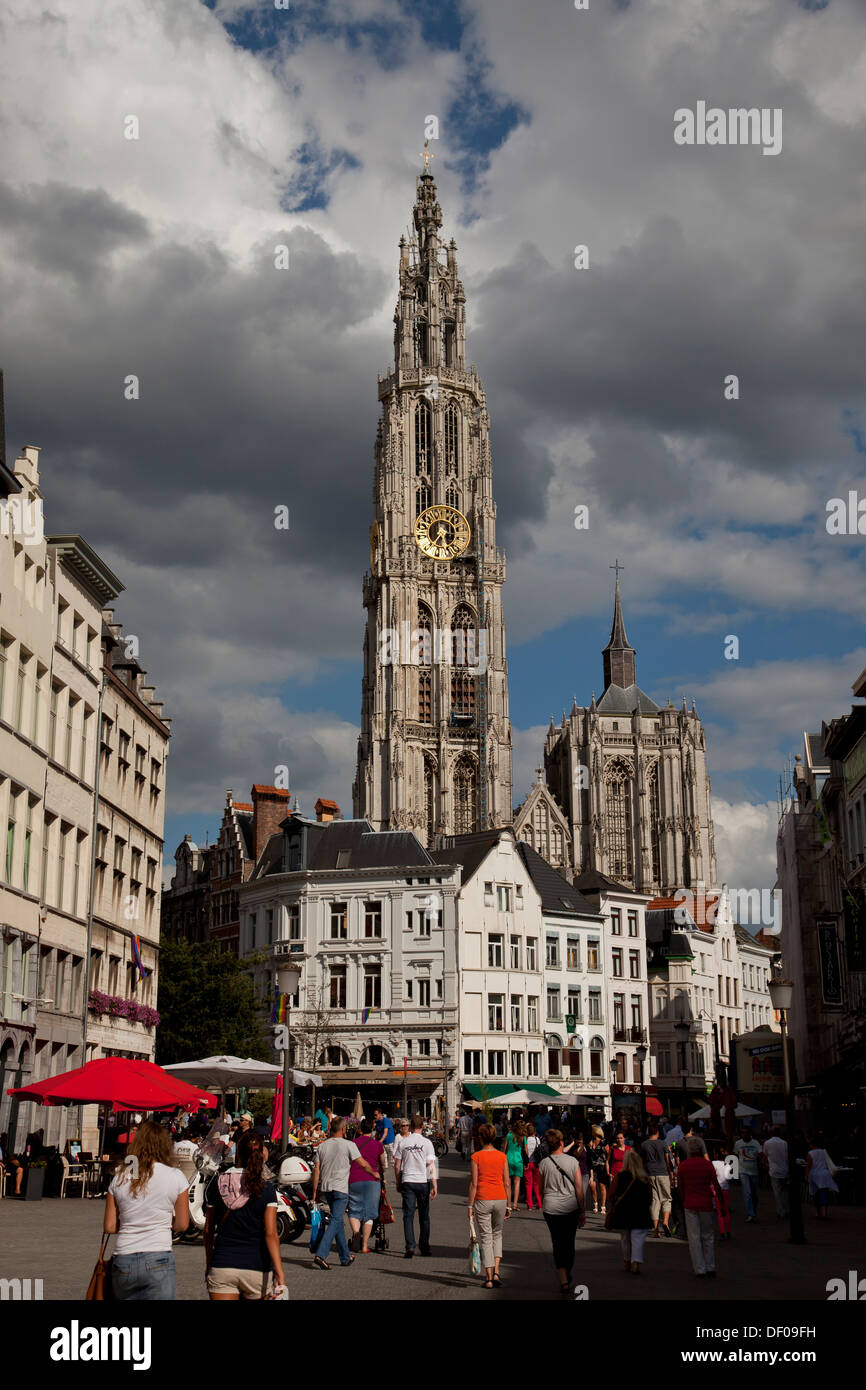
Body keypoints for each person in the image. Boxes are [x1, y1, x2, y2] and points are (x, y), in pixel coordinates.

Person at [104, 1118, 189, 1300]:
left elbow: (110, 1226)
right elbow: (182, 1225)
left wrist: (132, 1221)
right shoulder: (176, 1176)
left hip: (124, 1256)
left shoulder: (120, 1176)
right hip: (158, 1253)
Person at [204, 1130, 286, 1300]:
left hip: (223, 1265)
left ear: (238, 1154)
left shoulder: (218, 1183)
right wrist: (279, 1273)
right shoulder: (266, 1188)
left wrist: (210, 1262)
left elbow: (208, 1230)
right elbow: (271, 1234)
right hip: (257, 1268)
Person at [311, 1117, 378, 1270]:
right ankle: (321, 1254)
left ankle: (345, 1256)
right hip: (340, 1188)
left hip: (327, 1187)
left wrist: (315, 1190)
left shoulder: (322, 1146)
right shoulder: (349, 1145)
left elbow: (316, 1169)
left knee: (338, 1222)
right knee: (336, 1220)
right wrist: (374, 1174)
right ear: (342, 1129)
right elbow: (362, 1163)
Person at [538, 1129, 586, 1295]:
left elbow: (541, 1189)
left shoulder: (544, 1163)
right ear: (561, 1143)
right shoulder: (573, 1161)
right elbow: (579, 1189)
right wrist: (582, 1210)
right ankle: (566, 1272)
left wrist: (545, 1200)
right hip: (571, 1207)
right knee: (569, 1243)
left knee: (557, 1243)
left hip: (551, 1208)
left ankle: (563, 1278)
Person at [467, 1123, 511, 1288]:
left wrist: (470, 1206)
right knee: (497, 1234)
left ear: (481, 1138)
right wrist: (509, 1205)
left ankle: (489, 1277)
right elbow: (507, 1183)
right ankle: (497, 1271)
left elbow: (474, 1183)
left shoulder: (476, 1157)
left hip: (483, 1198)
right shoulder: (502, 1156)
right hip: (500, 1197)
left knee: (486, 1237)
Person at [677, 1137, 724, 1277]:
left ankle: (699, 1268)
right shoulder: (707, 1165)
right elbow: (716, 1185)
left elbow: (680, 1187)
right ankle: (710, 1266)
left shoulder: (683, 1166)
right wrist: (721, 1203)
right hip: (706, 1203)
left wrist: (683, 1200)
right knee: (708, 1235)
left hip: (690, 1203)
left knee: (694, 1237)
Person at [394, 1114, 437, 1258]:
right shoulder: (427, 1143)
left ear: (411, 1127)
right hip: (423, 1181)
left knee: (408, 1215)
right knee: (424, 1216)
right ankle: (424, 1246)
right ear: (423, 1126)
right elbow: (431, 1165)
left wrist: (398, 1181)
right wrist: (434, 1184)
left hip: (408, 1180)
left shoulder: (404, 1142)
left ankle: (410, 1246)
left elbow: (397, 1165)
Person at [606, 1148, 653, 1273]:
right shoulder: (644, 1178)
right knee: (638, 1238)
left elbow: (611, 1194)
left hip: (623, 1211)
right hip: (640, 1212)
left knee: (625, 1238)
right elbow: (650, 1196)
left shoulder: (620, 1176)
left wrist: (614, 1203)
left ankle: (627, 1261)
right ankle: (635, 1263)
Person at [348, 1118, 386, 1253]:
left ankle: (356, 1233)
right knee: (369, 1213)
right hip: (372, 1179)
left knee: (354, 1209)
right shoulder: (377, 1144)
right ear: (372, 1129)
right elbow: (383, 1163)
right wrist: (380, 1172)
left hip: (354, 1179)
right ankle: (364, 1245)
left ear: (360, 1130)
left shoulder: (353, 1143)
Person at [641, 1121, 674, 1238]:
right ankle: (665, 1222)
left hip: (651, 1174)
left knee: (655, 1200)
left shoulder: (644, 1144)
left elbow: (643, 1161)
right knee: (666, 1199)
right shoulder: (663, 1143)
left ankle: (656, 1230)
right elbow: (667, 1161)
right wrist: (671, 1173)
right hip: (663, 1173)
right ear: (657, 1132)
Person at [806, 1135, 839, 1220]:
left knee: (816, 1193)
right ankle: (824, 1213)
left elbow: (809, 1166)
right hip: (824, 1174)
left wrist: (806, 1175)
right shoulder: (824, 1152)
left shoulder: (810, 1153)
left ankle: (817, 1212)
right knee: (824, 1193)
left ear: (812, 1145)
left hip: (814, 1174)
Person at [733, 1127, 762, 1221]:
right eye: (742, 1133)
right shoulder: (738, 1143)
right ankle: (751, 1214)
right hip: (743, 1171)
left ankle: (753, 1211)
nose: (744, 1135)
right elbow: (736, 1155)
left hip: (754, 1171)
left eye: (746, 1133)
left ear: (750, 1134)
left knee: (754, 1194)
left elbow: (760, 1154)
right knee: (747, 1193)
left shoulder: (755, 1143)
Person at [762, 1127, 790, 1218]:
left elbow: (764, 1156)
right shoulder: (784, 1143)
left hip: (774, 1170)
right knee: (784, 1191)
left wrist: (766, 1165)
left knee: (777, 1192)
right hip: (784, 1169)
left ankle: (781, 1211)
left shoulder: (767, 1143)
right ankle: (786, 1209)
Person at [503, 1119, 526, 1212]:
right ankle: (515, 1204)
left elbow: (504, 1149)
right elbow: (526, 1151)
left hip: (508, 1160)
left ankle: (507, 1204)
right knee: (517, 1183)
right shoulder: (523, 1137)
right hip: (518, 1160)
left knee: (507, 1183)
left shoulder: (509, 1135)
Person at [710, 1143, 732, 1240]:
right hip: (726, 1189)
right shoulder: (727, 1164)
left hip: (717, 1190)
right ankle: (728, 1231)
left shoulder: (713, 1163)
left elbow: (712, 1177)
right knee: (726, 1211)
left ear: (716, 1154)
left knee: (719, 1212)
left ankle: (722, 1232)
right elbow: (728, 1177)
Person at [588, 1127, 610, 1215]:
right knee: (592, 1186)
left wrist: (607, 1164)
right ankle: (595, 1204)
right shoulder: (590, 1142)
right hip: (592, 1167)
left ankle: (603, 1206)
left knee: (602, 1186)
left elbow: (609, 1154)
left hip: (602, 1166)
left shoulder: (604, 1142)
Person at [523, 1122, 542, 1211]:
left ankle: (529, 1204)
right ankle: (539, 1203)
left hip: (528, 1163)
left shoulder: (525, 1140)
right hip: (536, 1163)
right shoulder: (537, 1139)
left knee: (528, 1184)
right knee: (536, 1184)